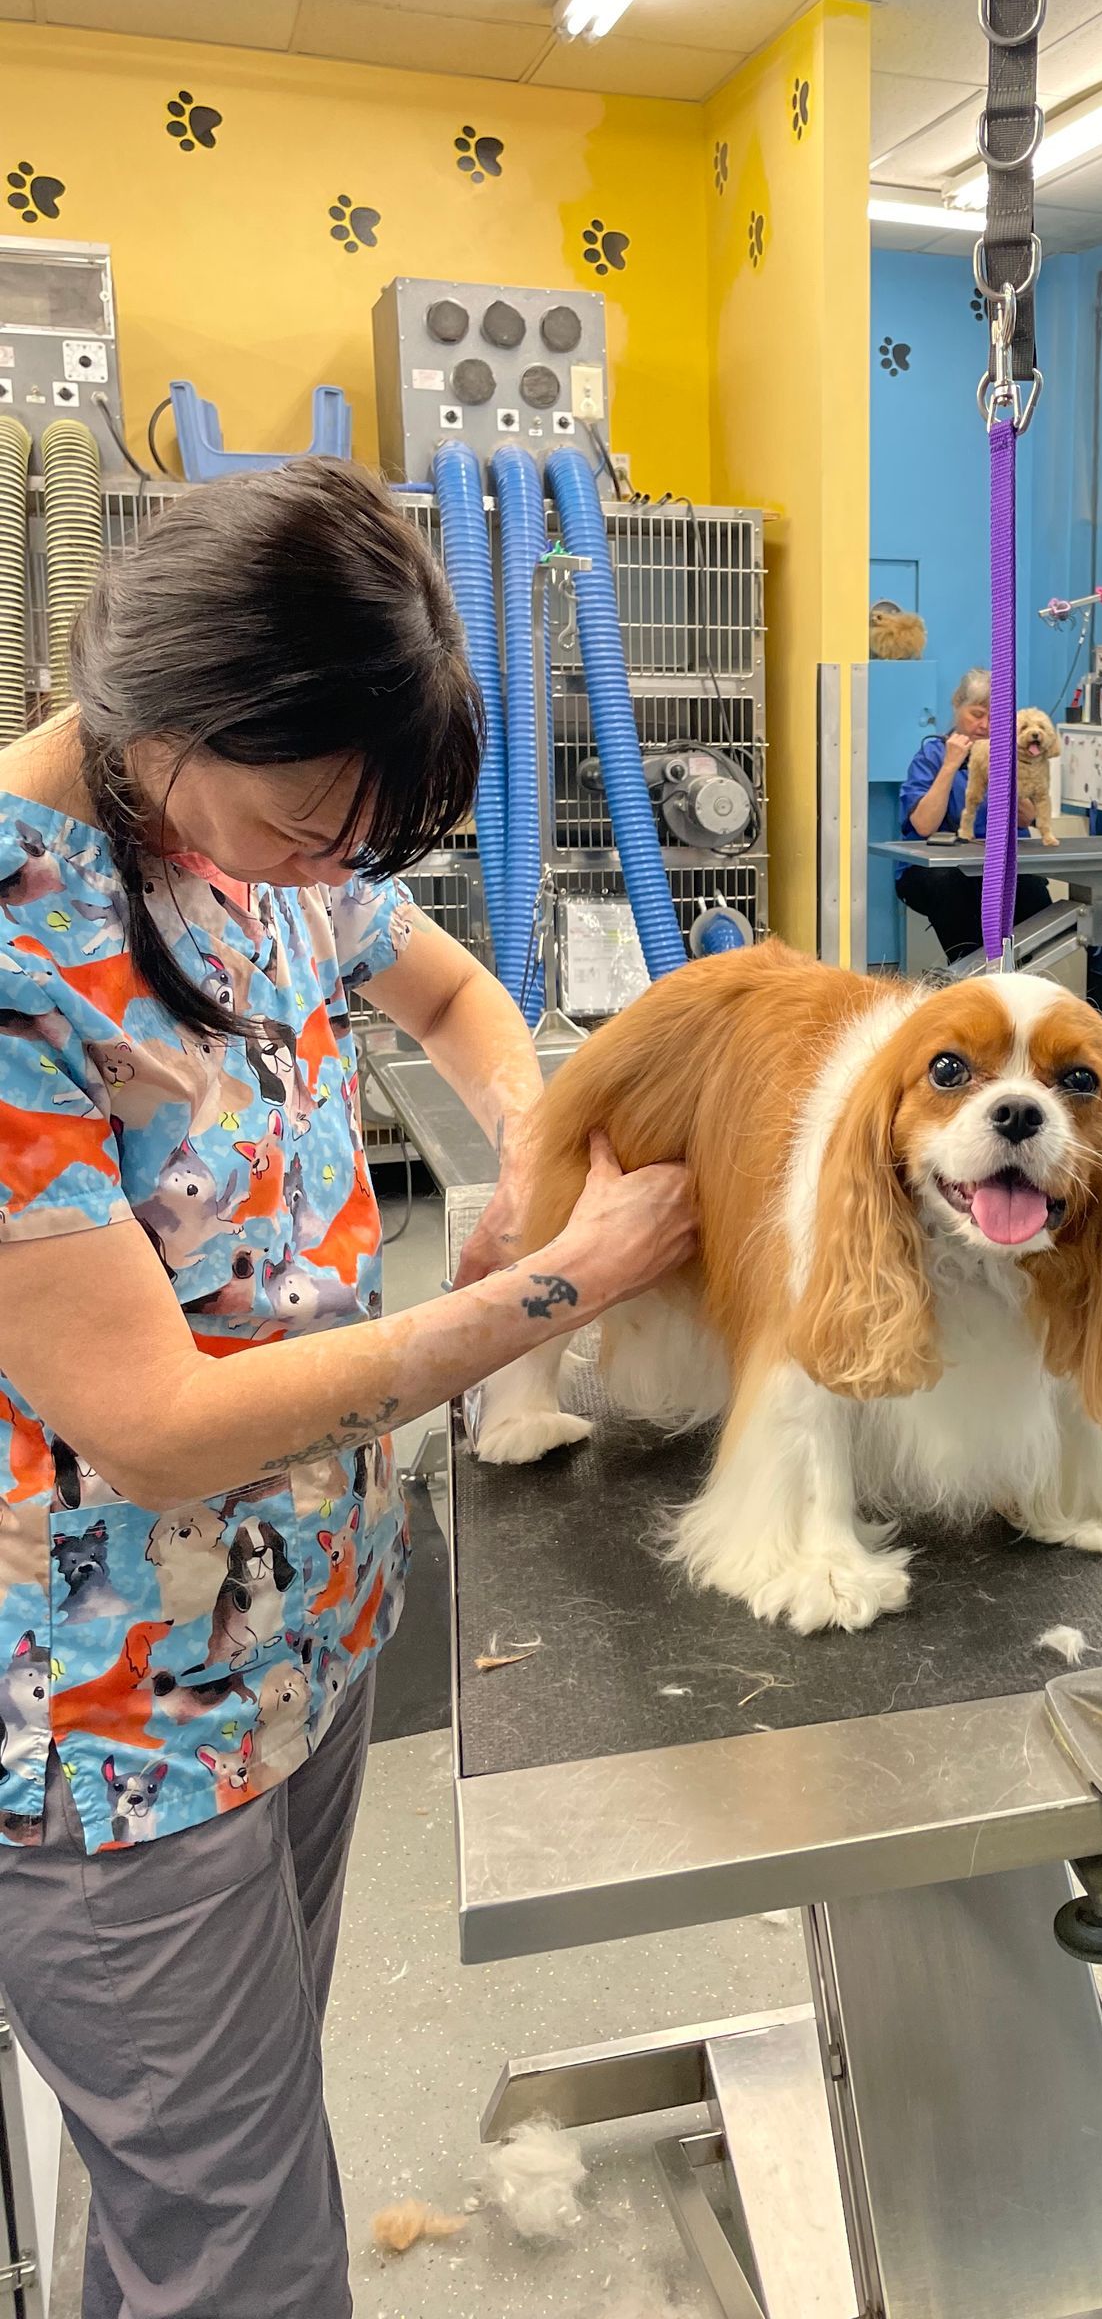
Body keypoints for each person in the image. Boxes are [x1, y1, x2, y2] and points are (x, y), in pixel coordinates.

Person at [0, 459, 696, 2315]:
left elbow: (459, 998)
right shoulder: (14, 948)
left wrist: (532, 1161)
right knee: (244, 2260)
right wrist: (555, 1287)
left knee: (186, 2197)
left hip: (302, 1640)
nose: (333, 879)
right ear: (172, 726)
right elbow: (145, 1424)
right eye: (313, 828)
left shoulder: (262, 841)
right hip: (116, 1731)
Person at [894, 666, 1053, 963]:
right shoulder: (930, 756)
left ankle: (1023, 972)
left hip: (993, 867)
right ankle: (970, 970)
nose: (984, 725)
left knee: (1032, 891)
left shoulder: (1011, 756)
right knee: (948, 886)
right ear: (958, 707)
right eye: (976, 714)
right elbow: (924, 825)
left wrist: (1007, 775)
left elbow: (1026, 819)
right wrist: (950, 765)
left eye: (994, 718)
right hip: (935, 871)